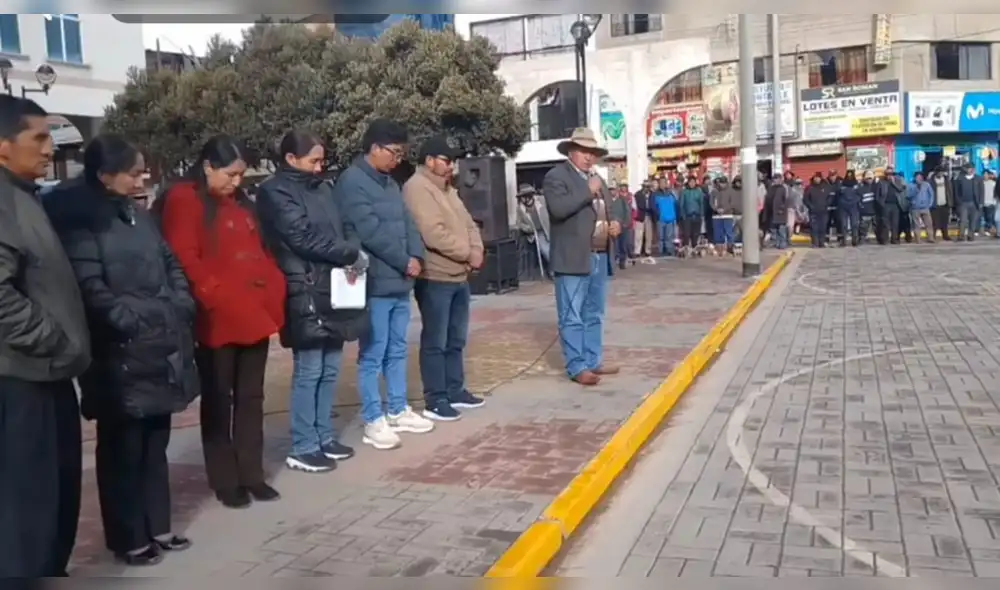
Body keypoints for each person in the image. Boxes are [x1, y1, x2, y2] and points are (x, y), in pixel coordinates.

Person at [44, 134, 199, 566]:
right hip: (119, 352)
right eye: (133, 171)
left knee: (155, 441)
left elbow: (170, 264)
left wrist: (180, 302)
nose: (141, 178)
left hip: (159, 343)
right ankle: (128, 535)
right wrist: (130, 320)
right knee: (122, 450)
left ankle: (158, 522)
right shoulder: (80, 221)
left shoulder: (137, 214)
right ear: (104, 174)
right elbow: (91, 288)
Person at [159, 135, 287, 508]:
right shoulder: (185, 199)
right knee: (218, 400)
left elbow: (259, 251)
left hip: (253, 314)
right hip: (216, 317)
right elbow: (184, 256)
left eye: (241, 176)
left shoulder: (239, 205)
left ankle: (252, 473)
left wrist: (271, 288)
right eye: (230, 175)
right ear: (208, 167)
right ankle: (224, 478)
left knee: (251, 398)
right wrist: (215, 295)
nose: (236, 183)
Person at [0, 95, 91, 577]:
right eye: (37, 137)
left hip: (48, 374)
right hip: (21, 379)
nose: (49, 147)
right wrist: (52, 339)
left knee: (53, 503)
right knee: (25, 515)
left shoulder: (24, 195)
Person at [256, 130, 369, 472]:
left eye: (322, 160)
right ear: (291, 159)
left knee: (331, 365)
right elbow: (300, 237)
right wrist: (348, 253)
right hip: (302, 285)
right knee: (310, 369)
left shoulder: (323, 188)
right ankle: (303, 444)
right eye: (313, 161)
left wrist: (351, 247)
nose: (320, 168)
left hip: (333, 284)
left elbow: (343, 224)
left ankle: (323, 436)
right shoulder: (274, 192)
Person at [338, 120, 430, 444]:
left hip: (401, 281)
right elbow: (369, 231)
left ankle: (398, 408)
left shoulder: (389, 183)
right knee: (373, 352)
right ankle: (373, 418)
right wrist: (403, 260)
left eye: (402, 154)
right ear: (374, 148)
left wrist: (417, 256)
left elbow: (408, 222)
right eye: (394, 152)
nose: (398, 160)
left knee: (398, 348)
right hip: (375, 282)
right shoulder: (352, 182)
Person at [403, 135, 486, 425]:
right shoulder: (417, 188)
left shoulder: (448, 190)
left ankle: (454, 389)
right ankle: (435, 398)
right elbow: (433, 233)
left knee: (455, 338)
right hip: (435, 276)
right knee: (435, 341)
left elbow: (469, 224)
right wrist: (467, 254)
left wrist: (477, 249)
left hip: (458, 276)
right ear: (429, 161)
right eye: (446, 160)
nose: (451, 165)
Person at [542, 128, 625, 386]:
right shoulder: (556, 177)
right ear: (570, 151)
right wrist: (588, 191)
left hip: (599, 255)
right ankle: (577, 366)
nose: (589, 158)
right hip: (572, 259)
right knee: (572, 315)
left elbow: (610, 210)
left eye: (593, 153)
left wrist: (616, 225)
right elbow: (559, 209)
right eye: (583, 152)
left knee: (594, 313)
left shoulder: (597, 178)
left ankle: (592, 360)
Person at [711, 175, 740, 254]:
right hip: (716, 216)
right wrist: (716, 209)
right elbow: (711, 202)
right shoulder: (714, 191)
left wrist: (724, 210)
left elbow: (732, 203)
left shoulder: (730, 191)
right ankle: (720, 249)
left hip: (727, 215)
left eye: (723, 183)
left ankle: (730, 247)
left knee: (728, 232)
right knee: (718, 233)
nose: (722, 185)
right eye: (721, 183)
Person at [877, 166, 906, 245]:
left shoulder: (897, 181)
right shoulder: (881, 182)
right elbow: (877, 195)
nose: (889, 175)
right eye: (888, 174)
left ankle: (894, 239)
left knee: (895, 223)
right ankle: (885, 239)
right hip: (885, 204)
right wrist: (881, 204)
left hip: (895, 205)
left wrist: (894, 183)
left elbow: (901, 190)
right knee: (885, 223)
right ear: (885, 174)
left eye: (891, 174)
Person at [954, 164, 983, 241]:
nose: (971, 170)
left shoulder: (978, 178)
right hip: (963, 203)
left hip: (974, 203)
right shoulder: (960, 178)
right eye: (969, 168)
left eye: (972, 168)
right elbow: (956, 191)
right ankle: (961, 236)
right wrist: (958, 201)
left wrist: (981, 202)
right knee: (963, 220)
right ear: (966, 169)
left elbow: (981, 191)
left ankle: (970, 235)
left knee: (973, 220)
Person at [652, 180, 678, 257]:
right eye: (661, 183)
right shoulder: (655, 194)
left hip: (670, 218)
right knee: (660, 236)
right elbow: (653, 206)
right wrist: (657, 215)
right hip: (660, 219)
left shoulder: (671, 193)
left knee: (669, 236)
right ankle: (661, 250)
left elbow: (676, 204)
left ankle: (669, 250)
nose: (662, 184)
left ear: (666, 184)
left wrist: (675, 216)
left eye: (664, 183)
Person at [908, 172, 935, 244]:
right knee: (916, 225)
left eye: (920, 177)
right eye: (917, 177)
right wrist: (916, 189)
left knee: (929, 223)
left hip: (925, 207)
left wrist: (930, 204)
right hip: (915, 208)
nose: (919, 178)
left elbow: (931, 194)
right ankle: (918, 239)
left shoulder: (926, 185)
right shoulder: (911, 185)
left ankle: (930, 238)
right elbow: (909, 196)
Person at [804, 172, 829, 248]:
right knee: (814, 228)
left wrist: (826, 204)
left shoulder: (826, 187)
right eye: (815, 178)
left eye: (818, 177)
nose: (817, 179)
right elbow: (805, 199)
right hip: (813, 212)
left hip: (823, 211)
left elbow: (830, 197)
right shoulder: (809, 187)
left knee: (823, 227)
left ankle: (822, 242)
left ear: (821, 178)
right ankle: (815, 243)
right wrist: (810, 206)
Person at [837, 170, 862, 247]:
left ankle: (855, 240)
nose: (849, 177)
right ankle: (844, 241)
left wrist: (856, 201)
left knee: (854, 224)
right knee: (843, 225)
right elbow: (838, 195)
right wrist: (841, 202)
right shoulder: (841, 184)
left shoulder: (857, 185)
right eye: (848, 175)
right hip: (843, 207)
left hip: (853, 207)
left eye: (851, 175)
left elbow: (860, 195)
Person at [611, 185, 634, 269]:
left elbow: (627, 211)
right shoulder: (608, 200)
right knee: (613, 245)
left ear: (616, 190)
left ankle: (622, 261)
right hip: (612, 225)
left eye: (613, 190)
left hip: (622, 225)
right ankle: (613, 261)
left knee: (622, 244)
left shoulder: (622, 200)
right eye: (610, 190)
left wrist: (626, 223)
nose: (611, 192)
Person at [765, 174, 790, 249]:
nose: (776, 180)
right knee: (774, 229)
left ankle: (783, 244)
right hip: (772, 212)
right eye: (775, 179)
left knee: (781, 229)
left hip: (780, 212)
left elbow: (786, 200)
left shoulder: (783, 188)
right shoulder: (771, 188)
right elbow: (768, 199)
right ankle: (777, 243)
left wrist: (782, 209)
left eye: (778, 179)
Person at [929, 167, 954, 241]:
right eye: (939, 172)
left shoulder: (946, 180)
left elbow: (950, 191)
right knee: (935, 222)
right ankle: (933, 236)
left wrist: (951, 202)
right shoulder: (931, 181)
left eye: (942, 172)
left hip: (945, 204)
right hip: (935, 204)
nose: (941, 174)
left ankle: (945, 235)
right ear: (936, 172)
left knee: (945, 222)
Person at [632, 179, 654, 259]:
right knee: (639, 234)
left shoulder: (652, 194)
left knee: (649, 235)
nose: (646, 188)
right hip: (641, 216)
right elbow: (637, 206)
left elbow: (654, 204)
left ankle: (648, 251)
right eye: (645, 186)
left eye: (648, 187)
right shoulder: (638, 194)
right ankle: (637, 251)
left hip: (649, 215)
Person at [858, 171, 878, 243]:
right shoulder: (860, 187)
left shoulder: (876, 186)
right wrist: (861, 208)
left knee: (877, 228)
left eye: (871, 178)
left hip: (875, 211)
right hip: (865, 212)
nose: (869, 180)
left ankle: (879, 238)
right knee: (863, 228)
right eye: (868, 178)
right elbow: (858, 200)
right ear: (864, 178)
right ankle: (862, 239)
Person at [982, 169, 997, 237]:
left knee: (990, 217)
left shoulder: (993, 183)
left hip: (991, 203)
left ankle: (988, 229)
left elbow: (995, 193)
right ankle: (992, 229)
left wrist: (994, 201)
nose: (985, 176)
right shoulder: (981, 183)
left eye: (986, 174)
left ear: (989, 175)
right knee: (986, 217)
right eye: (984, 174)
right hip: (983, 203)